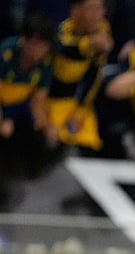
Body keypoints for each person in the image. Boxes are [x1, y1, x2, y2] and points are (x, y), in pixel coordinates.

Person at [46, 0, 113, 151]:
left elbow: (94, 76)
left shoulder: (102, 29)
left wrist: (80, 111)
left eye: (101, 9)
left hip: (78, 101)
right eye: (92, 9)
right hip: (50, 99)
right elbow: (64, 48)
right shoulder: (62, 30)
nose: (98, 16)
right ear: (75, 11)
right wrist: (87, 45)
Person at [0, 12, 58, 177]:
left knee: (41, 134)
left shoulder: (46, 63)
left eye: (43, 46)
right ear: (23, 40)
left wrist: (47, 127)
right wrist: (4, 119)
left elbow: (39, 100)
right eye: (33, 44)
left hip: (20, 107)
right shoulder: (5, 52)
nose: (37, 51)